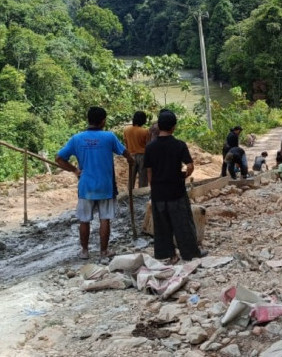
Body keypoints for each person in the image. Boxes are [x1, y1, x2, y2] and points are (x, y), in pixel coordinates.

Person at [56, 106, 134, 261]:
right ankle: (103, 251)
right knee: (105, 219)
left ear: (88, 120)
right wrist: (132, 161)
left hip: (86, 187)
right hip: (106, 186)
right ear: (103, 121)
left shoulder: (77, 138)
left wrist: (75, 170)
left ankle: (84, 251)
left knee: (84, 219)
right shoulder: (109, 137)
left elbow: (59, 158)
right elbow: (125, 153)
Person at [144, 110, 206, 263]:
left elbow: (149, 170)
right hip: (176, 191)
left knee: (162, 226)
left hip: (158, 192)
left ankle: (170, 255)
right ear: (174, 127)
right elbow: (190, 166)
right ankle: (190, 253)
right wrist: (183, 175)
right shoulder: (179, 145)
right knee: (183, 223)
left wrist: (153, 187)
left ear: (159, 126)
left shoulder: (150, 147)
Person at [124, 110, 150, 191]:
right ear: (143, 120)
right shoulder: (145, 131)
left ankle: (130, 195)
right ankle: (142, 195)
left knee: (131, 178)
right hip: (143, 156)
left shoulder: (126, 130)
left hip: (131, 155)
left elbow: (126, 143)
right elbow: (148, 145)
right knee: (143, 179)